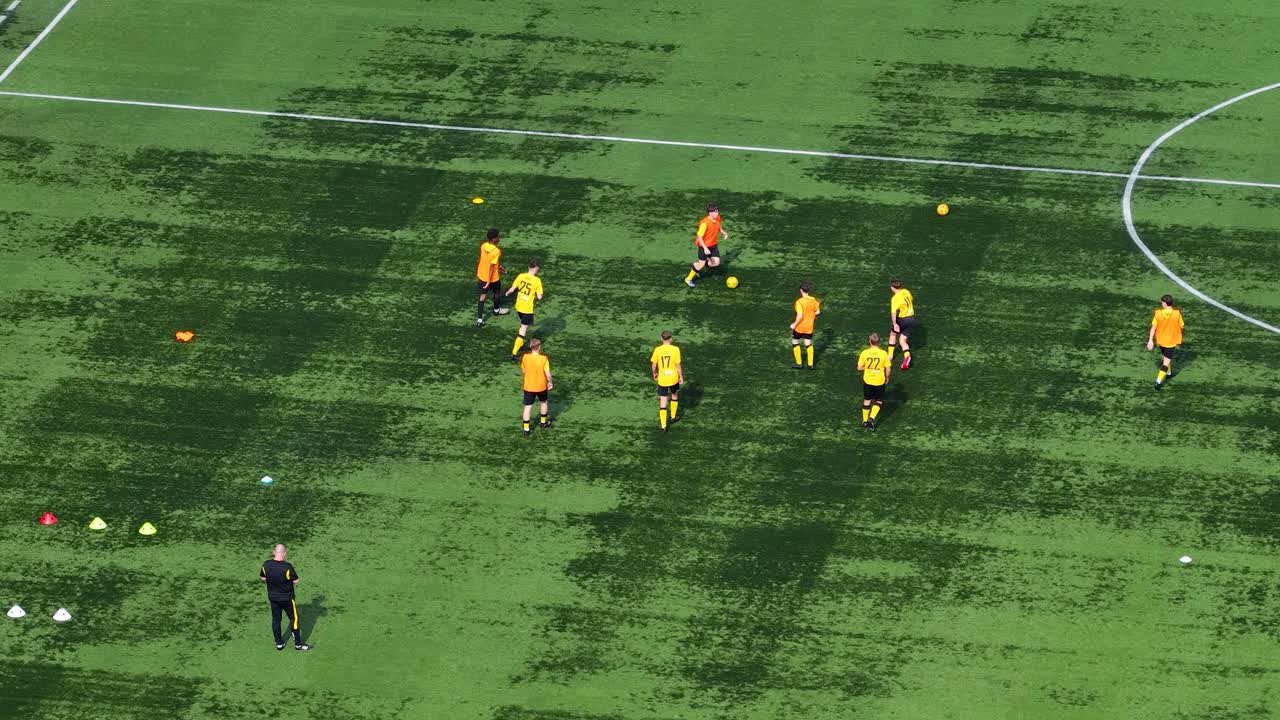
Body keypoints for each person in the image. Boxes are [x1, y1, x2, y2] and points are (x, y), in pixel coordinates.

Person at [259, 544, 311, 651]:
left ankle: (279, 643)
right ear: (284, 554)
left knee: (276, 619)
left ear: (274, 552)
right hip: (287, 598)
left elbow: (263, 578)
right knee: (294, 619)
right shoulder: (287, 567)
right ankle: (298, 644)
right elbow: (296, 581)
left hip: (273, 597)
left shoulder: (266, 565)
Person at [505, 260, 544, 362]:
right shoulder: (537, 281)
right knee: (522, 331)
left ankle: (520, 342)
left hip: (519, 306)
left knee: (522, 325)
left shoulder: (521, 276)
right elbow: (539, 297)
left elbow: (512, 289)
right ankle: (514, 353)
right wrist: (537, 294)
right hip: (527, 309)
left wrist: (507, 293)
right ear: (536, 269)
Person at [684, 204, 728, 287]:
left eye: (717, 211)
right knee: (701, 265)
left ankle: (696, 265)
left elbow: (718, 226)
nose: (717, 213)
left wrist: (723, 232)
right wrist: (705, 248)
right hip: (704, 246)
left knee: (716, 263)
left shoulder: (717, 218)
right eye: (715, 212)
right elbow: (700, 237)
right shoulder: (704, 224)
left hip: (713, 245)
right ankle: (688, 279)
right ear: (710, 213)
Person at [1147, 294, 1185, 390]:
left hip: (1160, 340)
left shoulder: (1158, 314)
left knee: (1165, 358)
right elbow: (1182, 326)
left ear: (1165, 303)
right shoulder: (1177, 314)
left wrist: (1150, 340)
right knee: (1165, 363)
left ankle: (1169, 373)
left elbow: (1153, 327)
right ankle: (1158, 381)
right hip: (1171, 342)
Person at [856, 333, 892, 432]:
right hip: (879, 381)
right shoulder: (884, 353)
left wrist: (867, 368)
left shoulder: (864, 353)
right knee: (879, 401)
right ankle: (871, 418)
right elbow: (888, 368)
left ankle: (864, 421)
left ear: (869, 341)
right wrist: (887, 377)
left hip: (868, 380)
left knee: (867, 400)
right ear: (878, 342)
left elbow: (859, 368)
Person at [650, 331, 684, 430]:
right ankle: (673, 417)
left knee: (663, 399)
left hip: (663, 379)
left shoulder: (657, 350)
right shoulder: (676, 349)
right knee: (674, 394)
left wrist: (654, 373)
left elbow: (654, 365)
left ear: (661, 339)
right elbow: (678, 365)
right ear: (671, 339)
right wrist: (680, 376)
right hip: (673, 378)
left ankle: (664, 425)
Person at [475, 228, 509, 326]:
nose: (499, 237)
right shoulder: (496, 251)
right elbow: (491, 266)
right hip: (492, 278)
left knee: (482, 297)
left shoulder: (483, 246)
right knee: (497, 292)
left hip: (481, 276)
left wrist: (501, 267)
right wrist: (489, 281)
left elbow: (490, 261)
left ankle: (479, 320)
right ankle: (496, 310)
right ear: (494, 239)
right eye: (498, 236)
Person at [520, 338, 553, 436]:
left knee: (527, 407)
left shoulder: (525, 357)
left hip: (528, 386)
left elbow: (523, 371)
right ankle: (543, 423)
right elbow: (548, 374)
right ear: (539, 346)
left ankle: (526, 429)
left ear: (530, 347)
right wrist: (550, 382)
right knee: (543, 402)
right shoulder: (544, 359)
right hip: (541, 386)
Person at [790, 282, 821, 369]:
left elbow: (800, 316)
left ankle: (799, 363)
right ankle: (810, 364)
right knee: (808, 343)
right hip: (809, 326)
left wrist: (794, 324)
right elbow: (818, 312)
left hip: (800, 327)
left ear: (801, 290)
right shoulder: (814, 300)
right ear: (809, 290)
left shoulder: (799, 302)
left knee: (795, 341)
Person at [886, 279, 916, 369]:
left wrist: (895, 323)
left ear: (892, 287)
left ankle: (890, 356)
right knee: (902, 340)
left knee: (893, 334)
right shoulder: (906, 291)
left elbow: (893, 313)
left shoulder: (894, 299)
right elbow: (911, 299)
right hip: (912, 318)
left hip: (903, 319)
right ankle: (907, 357)